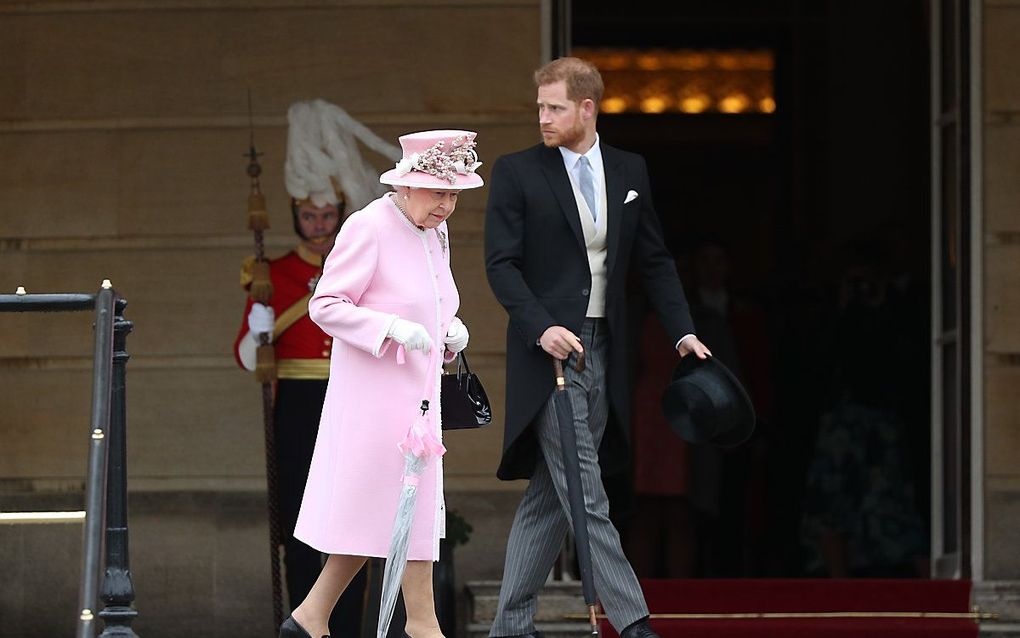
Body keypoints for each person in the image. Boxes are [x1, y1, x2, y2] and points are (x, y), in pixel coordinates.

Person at [484, 57, 711, 638]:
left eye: (555, 107)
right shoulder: (517, 173)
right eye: (540, 107)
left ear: (587, 108)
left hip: (606, 347)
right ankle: (633, 621)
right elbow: (501, 266)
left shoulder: (630, 169)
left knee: (550, 498)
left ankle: (510, 627)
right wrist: (540, 327)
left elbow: (655, 261)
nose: (544, 118)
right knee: (585, 488)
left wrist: (681, 329)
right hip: (550, 354)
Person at [280, 129, 483, 638]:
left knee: (383, 515)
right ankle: (423, 626)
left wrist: (450, 333)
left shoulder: (436, 230)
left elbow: (435, 303)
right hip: (374, 399)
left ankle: (309, 619)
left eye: (454, 194)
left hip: (418, 398)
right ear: (408, 185)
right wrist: (387, 327)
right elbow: (325, 306)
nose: (447, 204)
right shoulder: (367, 226)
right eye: (438, 191)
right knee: (404, 510)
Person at [235, 99, 402, 637]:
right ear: (294, 215)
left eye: (328, 216)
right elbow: (246, 356)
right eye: (309, 216)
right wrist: (264, 323)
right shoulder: (272, 271)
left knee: (355, 512)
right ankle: (306, 622)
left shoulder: (357, 260)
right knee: (300, 520)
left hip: (352, 395)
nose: (319, 226)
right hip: (299, 404)